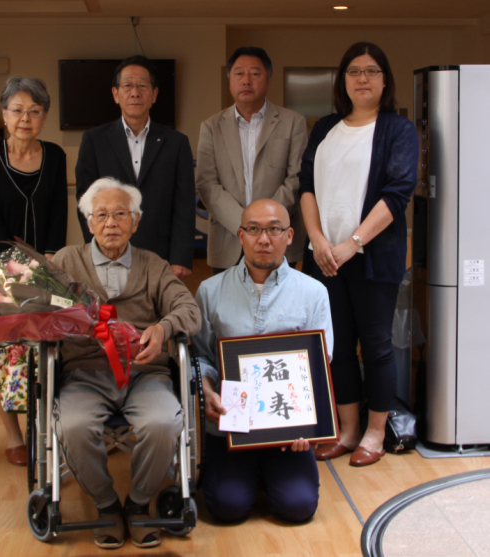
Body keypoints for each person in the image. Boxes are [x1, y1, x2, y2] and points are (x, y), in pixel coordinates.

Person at [52, 177, 201, 549]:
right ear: (88, 223)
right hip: (85, 373)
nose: (111, 223)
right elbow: (36, 311)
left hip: (143, 374)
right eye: (101, 215)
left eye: (121, 214)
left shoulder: (153, 265)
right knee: (71, 424)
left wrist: (163, 329)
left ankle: (136, 503)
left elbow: (189, 309)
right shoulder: (66, 261)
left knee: (164, 421)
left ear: (136, 221)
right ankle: (105, 504)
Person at [298, 42, 418, 467]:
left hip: (370, 258)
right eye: (353, 71)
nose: (362, 78)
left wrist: (353, 244)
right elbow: (306, 187)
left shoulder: (397, 130)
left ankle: (375, 432)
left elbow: (397, 194)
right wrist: (318, 240)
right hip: (325, 259)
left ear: (385, 80)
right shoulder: (326, 126)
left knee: (377, 345)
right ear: (342, 81)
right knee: (338, 347)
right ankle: (347, 431)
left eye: (371, 71)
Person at [192, 198, 333, 523]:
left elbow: (319, 363)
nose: (264, 239)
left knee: (297, 508)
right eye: (254, 230)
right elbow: (201, 355)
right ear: (241, 236)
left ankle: (269, 475)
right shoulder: (210, 290)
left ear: (290, 235)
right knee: (226, 508)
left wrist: (308, 424)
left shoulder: (313, 293)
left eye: (274, 229)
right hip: (231, 425)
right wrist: (209, 390)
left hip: (289, 433)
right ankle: (250, 476)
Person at [0, 76, 68, 467]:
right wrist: (10, 271)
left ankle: (48, 427)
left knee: (47, 353)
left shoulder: (56, 156)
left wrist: (49, 264)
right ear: (4, 114)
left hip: (48, 269)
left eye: (35, 111)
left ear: (45, 117)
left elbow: (58, 212)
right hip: (0, 271)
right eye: (17, 110)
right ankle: (13, 436)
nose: (26, 118)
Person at [75, 55, 196, 279]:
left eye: (142, 86)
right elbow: (85, 203)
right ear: (115, 94)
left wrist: (180, 258)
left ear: (154, 94)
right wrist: (96, 249)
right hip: (109, 252)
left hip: (162, 255)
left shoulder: (176, 143)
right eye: (127, 85)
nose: (135, 93)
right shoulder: (94, 140)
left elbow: (184, 204)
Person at [196, 47, 308, 273]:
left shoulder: (293, 122)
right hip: (229, 239)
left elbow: (296, 178)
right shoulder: (211, 127)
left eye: (255, 74)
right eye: (239, 74)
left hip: (279, 241)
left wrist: (265, 225)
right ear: (230, 80)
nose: (246, 80)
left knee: (281, 307)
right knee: (230, 308)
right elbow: (207, 184)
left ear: (267, 79)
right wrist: (247, 226)